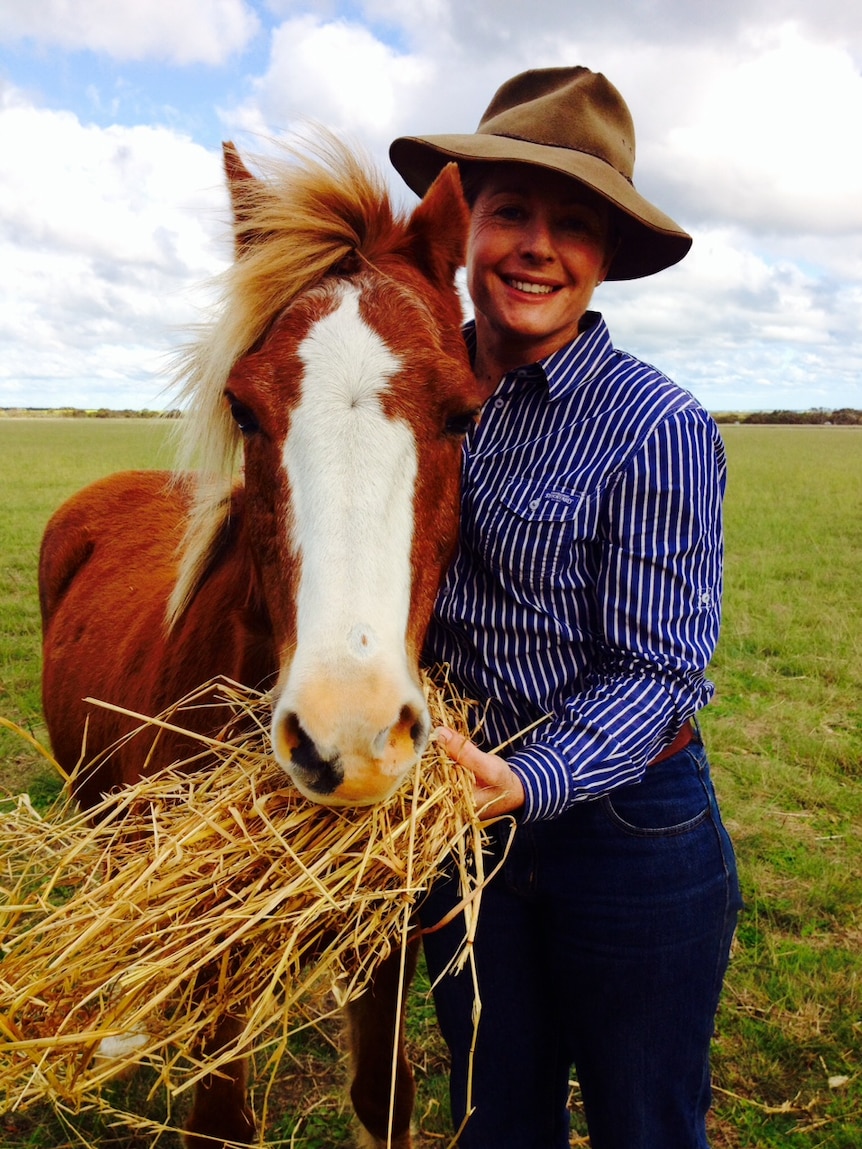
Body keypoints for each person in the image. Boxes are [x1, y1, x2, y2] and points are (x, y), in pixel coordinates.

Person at [389, 66, 742, 1149]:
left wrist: (529, 780)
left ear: (602, 260)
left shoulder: (656, 427)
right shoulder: (408, 392)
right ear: (465, 231)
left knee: (644, 1120)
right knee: (496, 1117)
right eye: (510, 212)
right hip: (463, 823)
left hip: (627, 832)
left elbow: (655, 670)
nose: (536, 245)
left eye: (572, 224)